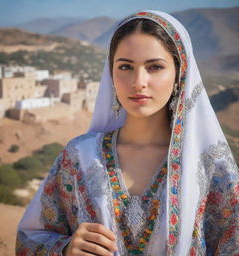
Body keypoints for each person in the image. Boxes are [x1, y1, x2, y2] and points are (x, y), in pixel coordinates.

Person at [15, 10, 239, 256]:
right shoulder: (79, 156)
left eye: (155, 67)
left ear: (179, 75)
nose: (138, 81)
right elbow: (29, 239)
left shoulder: (209, 166)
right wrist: (65, 248)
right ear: (111, 74)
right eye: (125, 66)